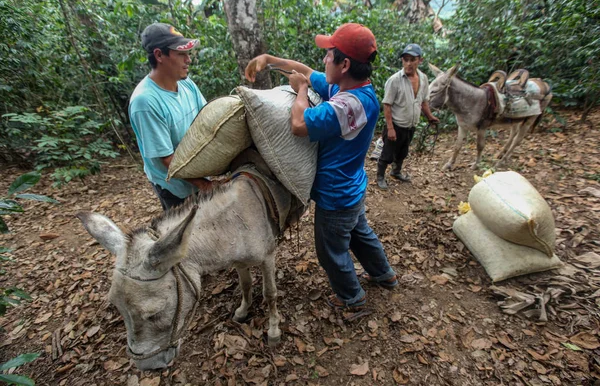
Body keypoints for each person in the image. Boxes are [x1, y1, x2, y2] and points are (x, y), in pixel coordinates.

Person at [245, 23, 397, 309]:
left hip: (335, 196)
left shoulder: (348, 105)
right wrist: (269, 60)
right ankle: (383, 275)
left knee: (330, 252)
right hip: (352, 189)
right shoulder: (348, 87)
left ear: (345, 64)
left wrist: (301, 92)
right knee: (359, 234)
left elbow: (299, 125)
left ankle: (352, 299)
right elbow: (302, 69)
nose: (324, 60)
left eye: (329, 55)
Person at [129, 23, 214, 211]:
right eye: (181, 54)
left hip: (197, 171)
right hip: (175, 188)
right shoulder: (145, 102)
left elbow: (207, 118)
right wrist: (205, 185)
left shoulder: (186, 84)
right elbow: (167, 160)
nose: (188, 60)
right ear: (159, 55)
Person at [376, 43, 439, 189]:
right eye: (406, 60)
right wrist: (390, 128)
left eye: (413, 59)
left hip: (411, 124)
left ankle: (396, 171)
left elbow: (423, 101)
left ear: (420, 60)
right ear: (402, 61)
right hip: (396, 124)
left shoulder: (423, 78)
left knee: (403, 151)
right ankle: (380, 176)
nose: (409, 63)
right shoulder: (395, 80)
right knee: (387, 153)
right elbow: (387, 105)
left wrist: (430, 116)